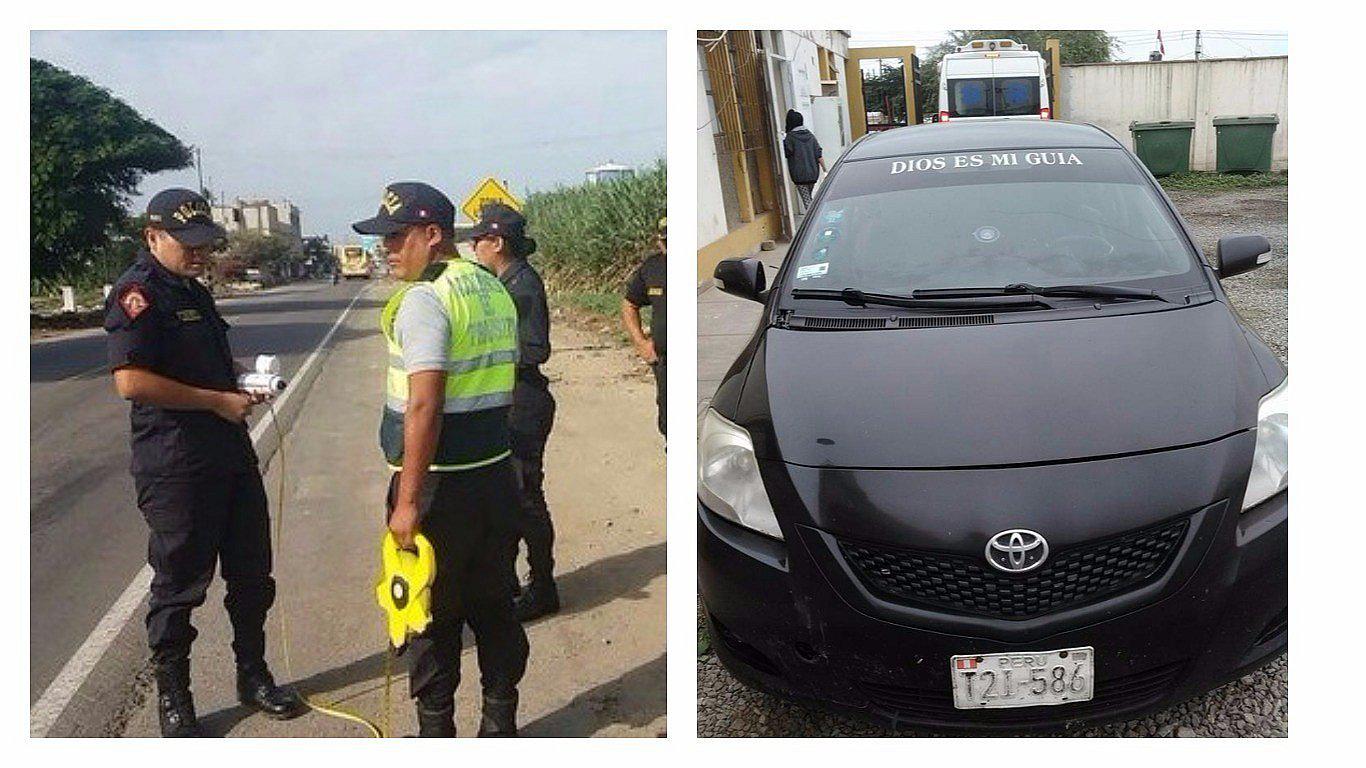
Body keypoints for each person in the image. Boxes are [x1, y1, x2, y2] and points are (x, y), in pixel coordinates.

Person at [104, 188, 305, 737]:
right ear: (152, 237)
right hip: (177, 464)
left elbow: (204, 364)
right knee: (179, 587)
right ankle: (174, 698)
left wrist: (239, 382)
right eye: (187, 243)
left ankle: (253, 673)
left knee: (250, 574)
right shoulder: (137, 294)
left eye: (205, 244)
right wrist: (217, 401)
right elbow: (132, 382)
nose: (199, 254)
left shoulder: (193, 292)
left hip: (230, 456)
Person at [353, 182, 528, 737]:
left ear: (433, 235)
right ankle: (500, 725)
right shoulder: (491, 287)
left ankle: (436, 734)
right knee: (495, 603)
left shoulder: (426, 299)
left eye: (397, 237)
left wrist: (407, 501)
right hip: (496, 478)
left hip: (437, 488)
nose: (387, 249)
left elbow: (424, 402)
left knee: (428, 612)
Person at [468, 204, 560, 622]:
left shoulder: (522, 286)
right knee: (507, 496)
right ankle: (513, 582)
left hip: (524, 403)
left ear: (497, 242)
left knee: (525, 498)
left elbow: (537, 348)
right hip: (510, 401)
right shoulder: (505, 281)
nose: (473, 247)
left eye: (478, 240)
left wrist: (486, 355)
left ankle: (544, 587)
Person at [622, 217, 667, 436]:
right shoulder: (652, 267)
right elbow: (630, 304)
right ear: (659, 241)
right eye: (665, 241)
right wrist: (641, 343)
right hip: (664, 361)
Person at [783, 109, 826, 213]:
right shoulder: (810, 136)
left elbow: (787, 153)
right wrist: (825, 169)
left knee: (807, 201)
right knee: (809, 198)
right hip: (813, 173)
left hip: (799, 174)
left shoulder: (790, 138)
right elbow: (818, 154)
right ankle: (815, 216)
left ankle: (814, 220)